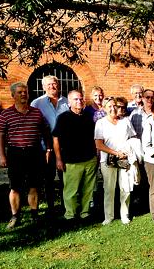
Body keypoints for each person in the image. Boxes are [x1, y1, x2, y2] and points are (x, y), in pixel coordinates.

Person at [0, 82, 49, 229]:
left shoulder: (37, 112)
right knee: (15, 187)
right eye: (19, 92)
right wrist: (1, 155)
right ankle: (15, 217)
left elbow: (45, 132)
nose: (23, 94)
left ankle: (34, 215)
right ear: (13, 95)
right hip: (15, 153)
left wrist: (48, 150)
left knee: (34, 186)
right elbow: (0, 135)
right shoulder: (6, 114)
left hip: (34, 152)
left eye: (25, 91)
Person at [52, 90, 97, 221]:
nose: (79, 101)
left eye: (81, 99)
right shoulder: (63, 118)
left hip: (89, 159)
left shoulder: (88, 117)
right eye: (76, 99)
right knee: (71, 190)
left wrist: (96, 155)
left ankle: (85, 212)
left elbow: (95, 138)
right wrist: (59, 159)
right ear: (69, 102)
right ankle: (70, 215)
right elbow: (56, 139)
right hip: (71, 161)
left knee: (88, 189)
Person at [30, 75, 69, 216]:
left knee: (66, 177)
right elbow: (33, 125)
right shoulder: (37, 103)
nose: (52, 86)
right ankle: (51, 207)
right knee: (48, 179)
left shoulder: (66, 102)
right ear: (43, 87)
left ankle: (66, 205)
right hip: (45, 148)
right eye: (49, 85)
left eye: (54, 84)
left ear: (58, 85)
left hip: (65, 147)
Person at [95, 97, 138, 225]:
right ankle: (109, 216)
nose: (113, 108)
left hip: (125, 159)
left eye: (115, 106)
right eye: (109, 106)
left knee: (125, 187)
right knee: (109, 188)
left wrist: (128, 151)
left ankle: (124, 215)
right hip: (107, 160)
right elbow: (99, 144)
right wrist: (116, 153)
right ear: (104, 109)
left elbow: (133, 137)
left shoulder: (125, 121)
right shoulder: (101, 123)